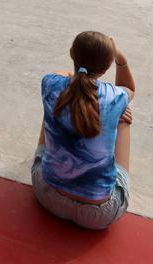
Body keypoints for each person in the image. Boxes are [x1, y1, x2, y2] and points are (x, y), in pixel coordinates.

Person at [32, 31, 135, 230]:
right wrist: (120, 59)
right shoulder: (116, 95)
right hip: (99, 215)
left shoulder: (50, 83)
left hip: (47, 196)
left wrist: (75, 78)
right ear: (106, 68)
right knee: (124, 114)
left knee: (56, 103)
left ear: (71, 53)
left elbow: (63, 75)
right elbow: (128, 88)